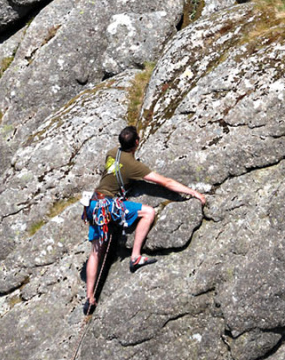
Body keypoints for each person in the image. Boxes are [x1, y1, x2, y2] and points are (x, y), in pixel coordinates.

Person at [84, 125, 207, 314]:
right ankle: (135, 257)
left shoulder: (111, 153)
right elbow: (165, 182)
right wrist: (192, 192)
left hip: (93, 205)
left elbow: (116, 171)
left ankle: (89, 297)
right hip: (108, 206)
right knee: (148, 212)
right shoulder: (134, 166)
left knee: (95, 252)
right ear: (136, 142)